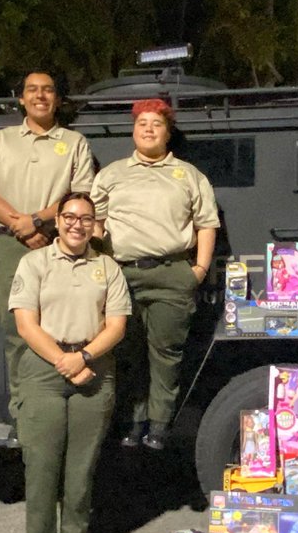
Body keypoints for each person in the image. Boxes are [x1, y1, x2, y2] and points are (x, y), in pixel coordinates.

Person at [9, 191, 130, 533]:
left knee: (81, 471)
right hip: (45, 369)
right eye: (70, 216)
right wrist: (65, 360)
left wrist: (85, 358)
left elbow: (116, 326)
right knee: (42, 467)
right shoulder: (34, 262)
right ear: (57, 220)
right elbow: (26, 324)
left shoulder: (109, 268)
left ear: (95, 226)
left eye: (86, 218)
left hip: (93, 370)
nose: (77, 224)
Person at [91, 98, 219, 451]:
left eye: (156, 124)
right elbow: (96, 223)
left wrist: (199, 269)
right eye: (142, 123)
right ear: (134, 130)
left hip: (171, 273)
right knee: (127, 352)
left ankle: (160, 423)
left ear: (168, 132)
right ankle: (133, 420)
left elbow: (206, 224)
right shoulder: (112, 174)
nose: (148, 129)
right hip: (121, 275)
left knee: (166, 354)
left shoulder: (189, 175)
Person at [0, 71, 94, 433]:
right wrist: (19, 226)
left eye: (48, 90)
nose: (40, 96)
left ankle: (57, 408)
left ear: (57, 99)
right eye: (32, 90)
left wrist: (38, 222)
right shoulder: (1, 140)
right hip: (11, 244)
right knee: (16, 331)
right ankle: (22, 412)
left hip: (61, 243)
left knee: (63, 327)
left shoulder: (74, 142)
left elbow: (82, 194)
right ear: (21, 98)